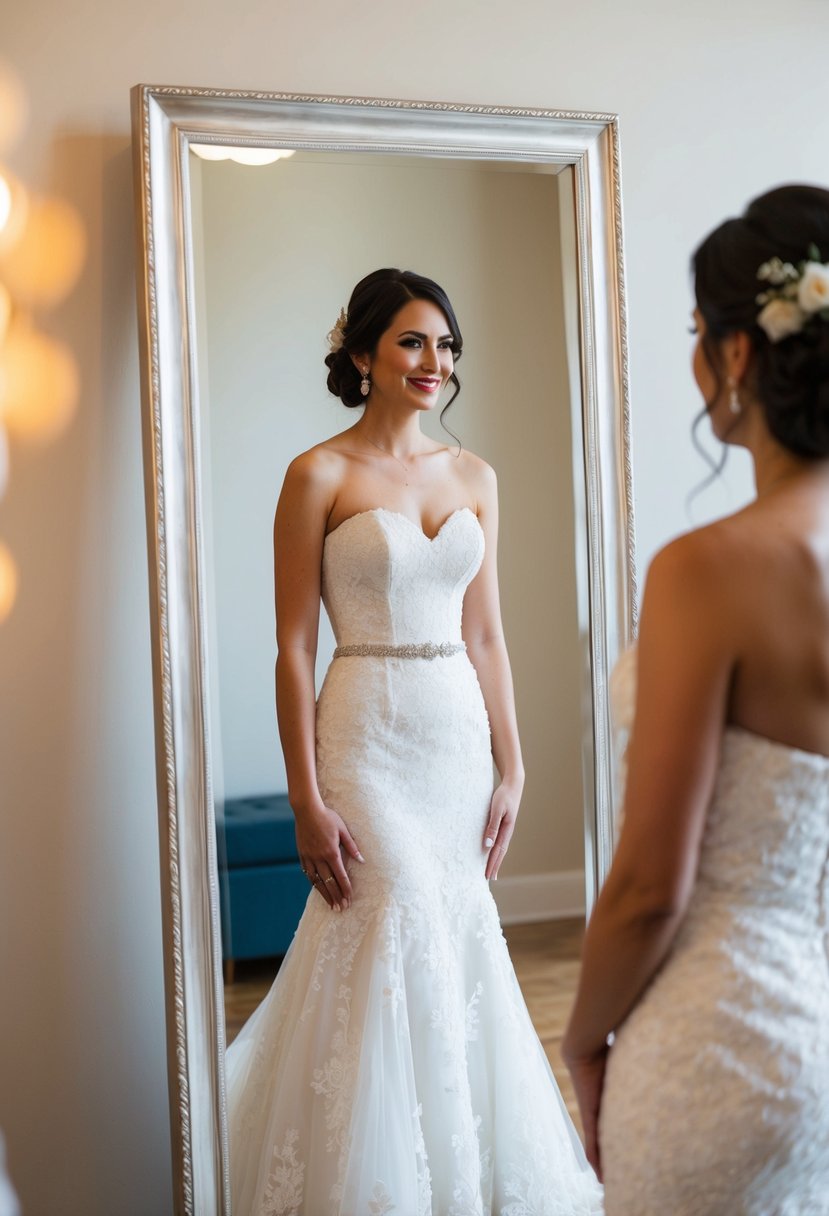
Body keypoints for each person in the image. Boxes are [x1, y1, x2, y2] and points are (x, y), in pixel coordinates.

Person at [225, 268, 602, 1215]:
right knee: (388, 913)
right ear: (361, 354)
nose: (435, 362)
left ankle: (457, 1174)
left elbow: (486, 637)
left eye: (445, 345)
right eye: (411, 342)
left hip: (455, 737)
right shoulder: (317, 474)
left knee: (455, 934)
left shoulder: (474, 475)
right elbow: (291, 645)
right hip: (365, 727)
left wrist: (514, 764)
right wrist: (306, 797)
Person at [562, 184, 829, 1213]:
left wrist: (583, 1040)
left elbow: (646, 890)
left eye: (694, 331)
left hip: (708, 1043)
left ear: (737, 352)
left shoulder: (707, 569)